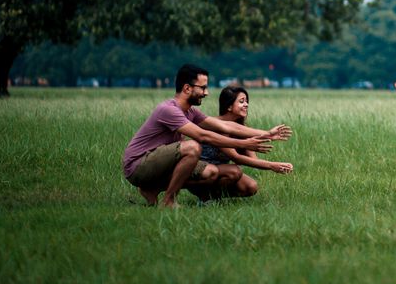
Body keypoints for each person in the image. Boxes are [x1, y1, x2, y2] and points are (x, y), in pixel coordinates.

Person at [122, 64, 292, 208]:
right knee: (193, 147)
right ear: (187, 88)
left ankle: (153, 189)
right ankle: (169, 201)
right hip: (138, 165)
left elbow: (226, 125)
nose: (206, 92)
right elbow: (204, 136)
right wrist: (247, 144)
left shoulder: (191, 111)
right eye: (202, 88)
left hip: (161, 163)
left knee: (211, 171)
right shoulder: (168, 110)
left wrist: (267, 133)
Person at [196, 86, 293, 199]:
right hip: (202, 172)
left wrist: (279, 165)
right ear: (229, 106)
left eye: (246, 101)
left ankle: (217, 197)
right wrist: (272, 166)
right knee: (234, 172)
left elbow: (254, 160)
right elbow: (236, 157)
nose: (246, 104)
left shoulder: (242, 129)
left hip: (221, 170)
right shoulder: (215, 125)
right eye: (241, 101)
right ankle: (206, 198)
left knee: (251, 187)